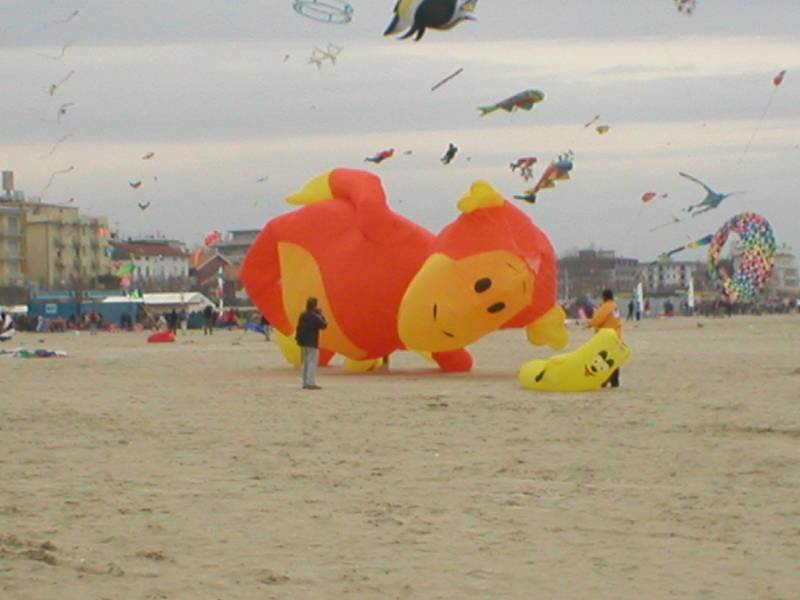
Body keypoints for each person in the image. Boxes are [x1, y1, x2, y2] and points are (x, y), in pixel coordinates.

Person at [586, 289, 622, 388]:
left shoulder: (606, 306)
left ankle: (604, 380)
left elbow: (598, 319)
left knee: (602, 358)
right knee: (613, 359)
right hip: (616, 335)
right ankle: (614, 381)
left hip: (606, 336)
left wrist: (589, 324)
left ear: (604, 297)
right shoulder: (615, 306)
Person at [295, 297, 327, 390]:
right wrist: (320, 315)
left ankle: (305, 382)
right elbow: (324, 325)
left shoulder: (302, 315)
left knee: (305, 362)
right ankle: (310, 382)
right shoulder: (314, 317)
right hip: (312, 342)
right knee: (312, 362)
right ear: (315, 306)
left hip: (302, 342)